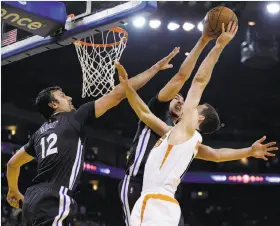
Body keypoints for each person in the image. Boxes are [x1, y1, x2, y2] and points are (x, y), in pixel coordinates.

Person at [117, 22, 278, 226]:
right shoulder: (184, 140)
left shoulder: (186, 130)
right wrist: (248, 151)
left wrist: (219, 46)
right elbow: (216, 155)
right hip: (168, 206)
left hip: (153, 203)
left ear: (199, 118)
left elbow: (199, 81)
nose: (188, 104)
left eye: (196, 106)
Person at [5, 49, 178, 225]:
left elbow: (13, 164)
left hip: (31, 199)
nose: (70, 97)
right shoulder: (74, 117)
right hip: (54, 196)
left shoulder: (38, 134)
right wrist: (155, 68)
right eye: (63, 96)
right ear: (54, 104)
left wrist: (13, 191)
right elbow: (119, 93)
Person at [119, 25, 214, 226]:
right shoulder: (157, 108)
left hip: (162, 194)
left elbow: (213, 154)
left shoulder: (182, 133)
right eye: (176, 98)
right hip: (137, 181)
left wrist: (248, 151)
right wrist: (203, 41)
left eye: (183, 101)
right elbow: (182, 77)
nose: (180, 102)